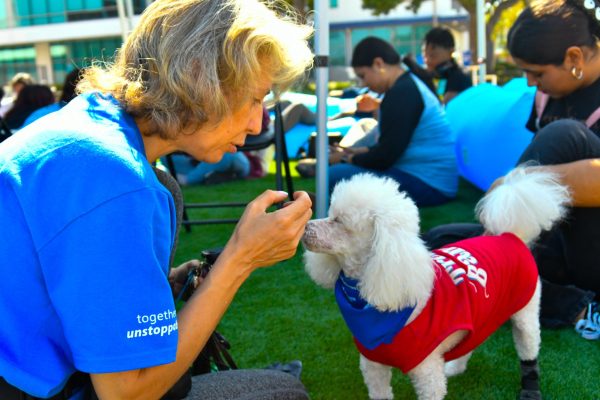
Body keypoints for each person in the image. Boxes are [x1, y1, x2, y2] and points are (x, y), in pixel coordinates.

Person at [0, 1, 313, 400]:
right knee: (282, 393)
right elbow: (125, 392)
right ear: (202, 79)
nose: (257, 124)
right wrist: (240, 259)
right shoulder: (116, 180)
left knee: (168, 189)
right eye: (255, 98)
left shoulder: (90, 125)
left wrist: (156, 284)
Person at [423, 0, 600, 340]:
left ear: (574, 58)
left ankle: (495, 269)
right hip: (560, 244)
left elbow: (545, 166)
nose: (530, 83)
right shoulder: (546, 96)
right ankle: (577, 306)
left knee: (564, 134)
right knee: (439, 244)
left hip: (592, 248)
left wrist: (517, 181)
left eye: (537, 73)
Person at [328, 36, 458, 207]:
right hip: (431, 179)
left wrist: (347, 158)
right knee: (336, 175)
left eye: (363, 76)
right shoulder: (405, 85)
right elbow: (391, 145)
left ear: (378, 64)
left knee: (333, 176)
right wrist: (357, 151)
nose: (364, 84)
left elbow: (385, 158)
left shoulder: (402, 93)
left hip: (429, 185)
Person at [422, 27, 472, 104]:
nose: (428, 61)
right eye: (425, 56)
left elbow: (444, 108)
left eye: (433, 56)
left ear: (451, 51)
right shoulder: (428, 77)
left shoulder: (459, 78)